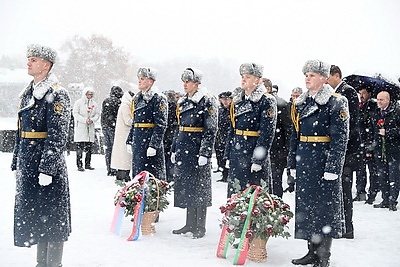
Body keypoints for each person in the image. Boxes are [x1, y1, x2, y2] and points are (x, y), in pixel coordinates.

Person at [11, 44, 71, 267]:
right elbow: (21, 132)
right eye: (28, 58)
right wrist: (18, 160)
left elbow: (57, 136)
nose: (28, 62)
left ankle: (52, 265)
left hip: (47, 167)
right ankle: (41, 264)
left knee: (52, 220)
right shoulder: (28, 93)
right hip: (29, 162)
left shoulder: (57, 94)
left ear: (46, 65)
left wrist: (47, 168)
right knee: (37, 217)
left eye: (33, 59)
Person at [288, 60, 349, 267]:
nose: (307, 77)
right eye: (306, 74)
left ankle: (323, 256)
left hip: (323, 161)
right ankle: (311, 251)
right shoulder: (301, 103)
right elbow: (295, 136)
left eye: (312, 74)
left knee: (324, 210)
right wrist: (292, 164)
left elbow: (340, 138)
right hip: (305, 160)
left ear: (324, 78)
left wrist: (333, 167)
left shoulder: (336, 101)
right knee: (307, 208)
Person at [171, 68, 218, 239]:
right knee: (188, 187)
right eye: (183, 81)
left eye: (188, 82)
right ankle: (189, 223)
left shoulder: (207, 101)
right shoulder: (183, 101)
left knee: (200, 188)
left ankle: (200, 225)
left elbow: (211, 129)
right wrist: (174, 148)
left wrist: (205, 152)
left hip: (197, 148)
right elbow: (178, 127)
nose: (184, 85)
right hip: (184, 148)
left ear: (196, 84)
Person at [224, 63, 277, 196]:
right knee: (236, 195)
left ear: (258, 80)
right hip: (237, 152)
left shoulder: (266, 100)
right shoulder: (237, 101)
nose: (243, 79)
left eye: (248, 77)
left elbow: (267, 133)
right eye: (242, 76)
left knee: (255, 198)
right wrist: (228, 154)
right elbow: (232, 130)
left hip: (253, 151)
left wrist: (258, 160)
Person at [328, 65, 361, 239]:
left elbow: (351, 122)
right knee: (338, 189)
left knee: (345, 189)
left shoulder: (348, 92)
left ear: (337, 76)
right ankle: (340, 224)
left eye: (328, 77)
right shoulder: (335, 92)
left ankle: (347, 227)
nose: (326, 80)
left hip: (348, 150)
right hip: (341, 148)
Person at [126, 67, 167, 180]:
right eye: (139, 78)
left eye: (142, 78)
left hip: (149, 141)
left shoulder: (158, 99)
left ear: (151, 81)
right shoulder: (137, 98)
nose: (139, 81)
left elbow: (160, 124)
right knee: (138, 175)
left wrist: (154, 145)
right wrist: (129, 140)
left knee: (151, 176)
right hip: (138, 141)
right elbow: (135, 122)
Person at [369, 91, 400, 211]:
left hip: (393, 150)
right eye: (377, 99)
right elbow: (371, 131)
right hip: (379, 150)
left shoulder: (396, 111)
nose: (379, 102)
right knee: (382, 176)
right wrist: (370, 147)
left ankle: (393, 201)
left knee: (393, 176)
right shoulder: (376, 113)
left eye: (381, 100)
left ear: (388, 100)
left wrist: (388, 132)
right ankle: (385, 199)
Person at [264, 79, 291, 197]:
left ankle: (276, 208)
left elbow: (288, 129)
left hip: (277, 150)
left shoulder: (281, 104)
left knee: (275, 182)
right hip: (262, 150)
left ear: (268, 89)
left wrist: (287, 151)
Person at [356, 87, 379, 204]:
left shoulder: (373, 106)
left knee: (372, 169)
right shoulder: (359, 106)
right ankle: (360, 191)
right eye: (360, 93)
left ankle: (372, 193)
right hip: (359, 141)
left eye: (363, 93)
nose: (361, 95)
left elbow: (372, 127)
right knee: (360, 169)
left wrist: (369, 145)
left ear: (369, 93)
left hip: (368, 141)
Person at [73, 87, 100, 171]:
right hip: (81, 127)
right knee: (80, 148)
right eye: (88, 94)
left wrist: (92, 119)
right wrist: (84, 120)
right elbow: (75, 114)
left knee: (89, 148)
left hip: (90, 128)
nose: (90, 96)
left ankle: (88, 164)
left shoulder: (94, 104)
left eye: (91, 94)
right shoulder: (78, 103)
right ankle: (79, 164)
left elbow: (97, 114)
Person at [111, 90, 134, 182]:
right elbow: (128, 121)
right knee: (124, 157)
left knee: (124, 157)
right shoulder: (125, 106)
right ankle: (123, 176)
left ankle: (123, 175)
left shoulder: (125, 105)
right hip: (124, 134)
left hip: (123, 134)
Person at [284, 87, 304, 193]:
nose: (295, 98)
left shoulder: (304, 105)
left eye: (297, 96)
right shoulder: (288, 106)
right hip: (290, 137)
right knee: (290, 162)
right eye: (293, 96)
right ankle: (290, 183)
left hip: (300, 138)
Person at [101, 85, 123, 176]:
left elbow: (103, 114)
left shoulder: (106, 101)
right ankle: (114, 168)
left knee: (108, 148)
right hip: (113, 127)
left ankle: (109, 168)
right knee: (115, 148)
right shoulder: (118, 102)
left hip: (105, 126)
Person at [214, 91, 232, 182]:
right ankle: (224, 174)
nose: (225, 101)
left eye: (227, 99)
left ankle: (228, 175)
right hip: (220, 136)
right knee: (220, 156)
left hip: (230, 137)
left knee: (228, 157)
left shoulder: (233, 109)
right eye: (223, 99)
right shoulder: (220, 110)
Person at [163, 90, 178, 182]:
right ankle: (170, 175)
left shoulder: (166, 106)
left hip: (167, 133)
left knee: (166, 155)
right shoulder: (176, 106)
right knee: (170, 156)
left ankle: (167, 175)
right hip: (172, 134)